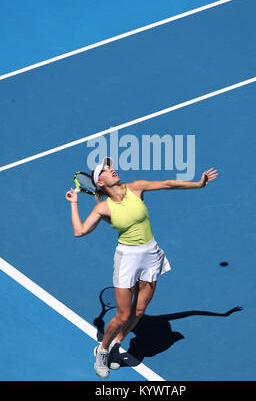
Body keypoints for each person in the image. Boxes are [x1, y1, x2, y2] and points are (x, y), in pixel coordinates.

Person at [66, 157, 218, 378]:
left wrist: (199, 184)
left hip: (150, 254)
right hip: (127, 259)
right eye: (106, 171)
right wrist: (74, 203)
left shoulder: (136, 188)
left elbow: (168, 184)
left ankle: (117, 345)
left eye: (111, 167)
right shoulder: (102, 208)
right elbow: (79, 231)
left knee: (139, 311)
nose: (112, 170)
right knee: (122, 315)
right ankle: (102, 350)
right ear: (100, 183)